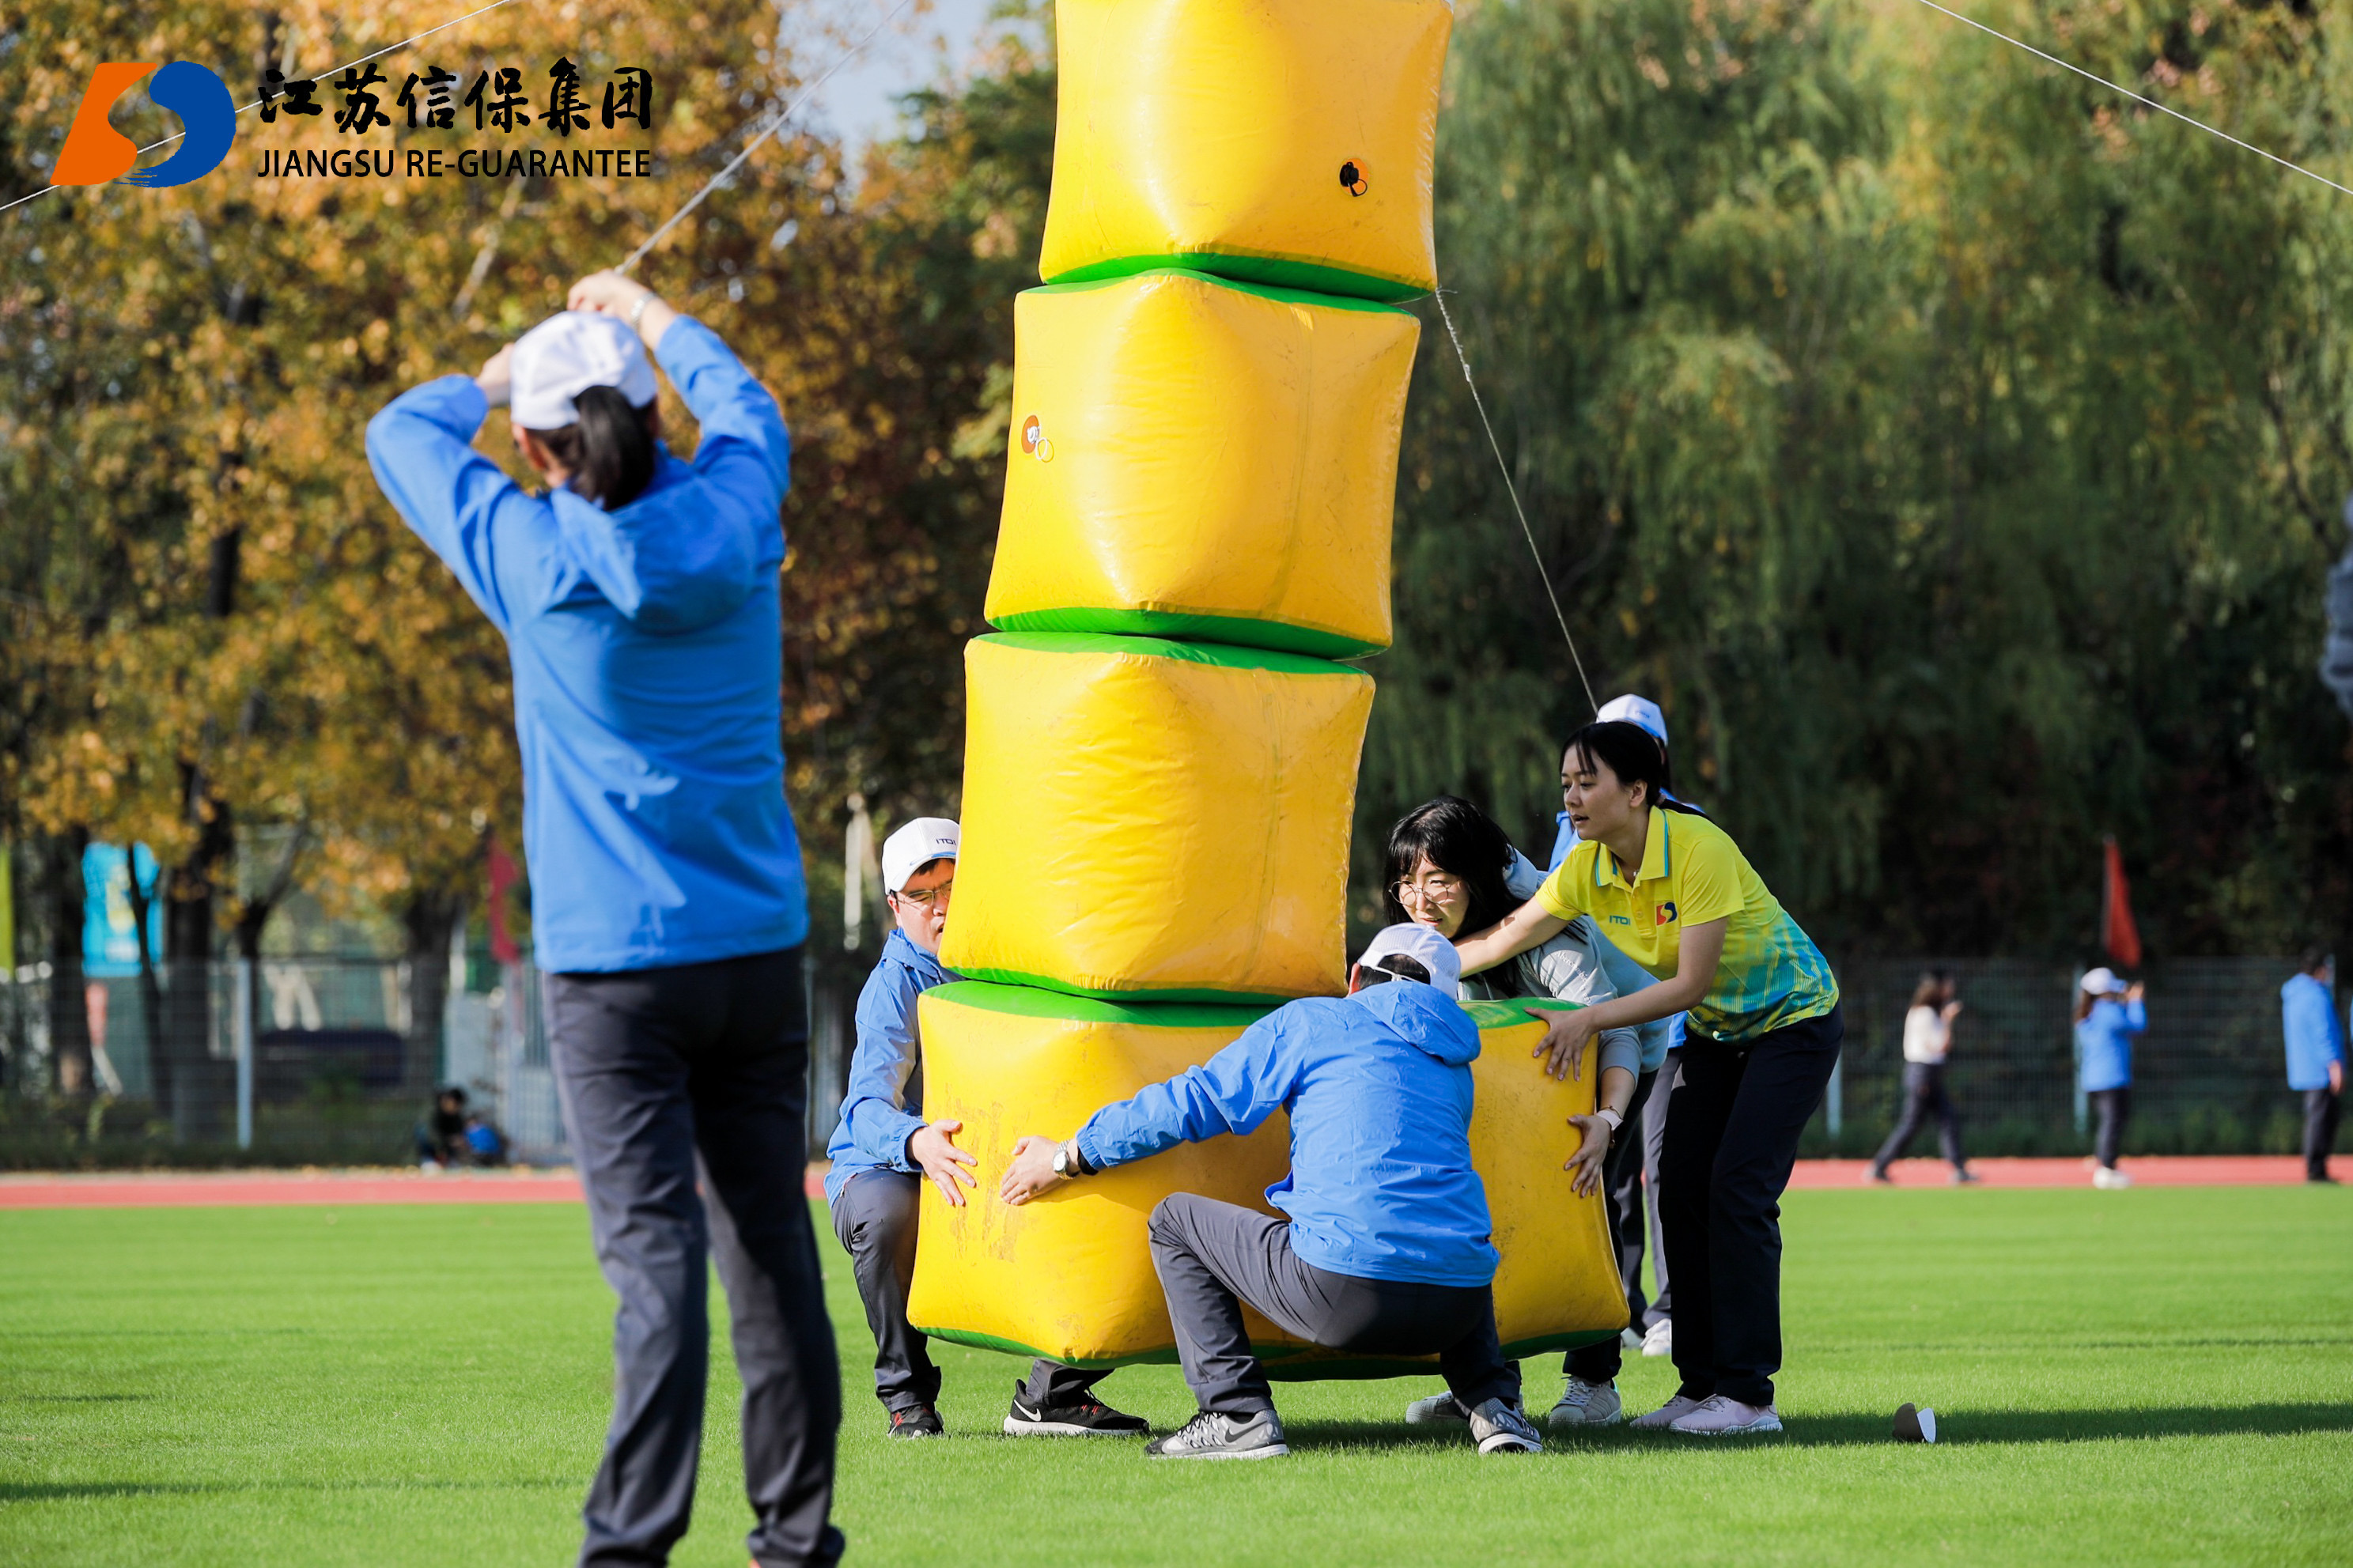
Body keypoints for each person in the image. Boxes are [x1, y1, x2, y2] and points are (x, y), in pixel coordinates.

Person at [367, 271, 840, 1568]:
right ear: (653, 413)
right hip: (755, 954)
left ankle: (629, 1548)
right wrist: (646, 312)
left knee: (655, 1264)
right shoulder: (741, 510)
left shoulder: (530, 549)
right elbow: (751, 407)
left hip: (615, 971)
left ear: (533, 442)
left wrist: (501, 366)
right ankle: (796, 1538)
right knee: (770, 1253)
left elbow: (399, 432)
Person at [998, 924, 1546, 1461]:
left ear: (1355, 976)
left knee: (1174, 1220)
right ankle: (1495, 1406)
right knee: (1442, 1219)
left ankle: (1236, 1413)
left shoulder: (1316, 1019)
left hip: (1343, 1299)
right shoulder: (1456, 1065)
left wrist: (1069, 1155)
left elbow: (1199, 1099)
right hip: (1458, 1308)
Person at [1455, 720, 1843, 1437]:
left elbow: (1689, 983)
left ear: (1636, 791)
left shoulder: (1700, 848)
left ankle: (1750, 1397)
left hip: (1792, 1022)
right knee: (1674, 1191)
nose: (1570, 797)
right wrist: (1409, 966)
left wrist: (1591, 1018)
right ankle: (1700, 1388)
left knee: (1736, 1190)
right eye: (1565, 782)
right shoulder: (1584, 866)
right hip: (1717, 1035)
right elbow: (1504, 939)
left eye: (1586, 781)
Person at [824, 817, 1148, 1439]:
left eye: (954, 887)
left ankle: (1053, 1394)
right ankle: (907, 1396)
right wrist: (916, 1141)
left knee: (1112, 1186)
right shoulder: (893, 986)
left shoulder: (1015, 964)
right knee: (887, 1210)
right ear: (895, 907)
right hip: (890, 1167)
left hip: (994, 1157)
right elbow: (864, 1108)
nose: (941, 908)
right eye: (922, 896)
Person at [1375, 796, 1649, 1430]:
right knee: (1482, 1205)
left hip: (1615, 1062)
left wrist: (1607, 1121)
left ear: (1475, 876)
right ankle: (1488, 1382)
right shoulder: (1419, 944)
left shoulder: (1551, 934)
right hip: (1511, 1077)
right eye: (1407, 883)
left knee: (1584, 1192)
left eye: (1439, 881)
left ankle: (1594, 1380)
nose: (1420, 898)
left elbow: (1617, 1033)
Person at [1548, 692, 1694, 1362]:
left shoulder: (1688, 830)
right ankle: (1618, 1309)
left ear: (1649, 766)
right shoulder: (1570, 829)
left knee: (1663, 1170)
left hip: (1674, 1036)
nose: (1580, 791)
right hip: (1600, 1029)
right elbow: (1550, 915)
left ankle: (1667, 1309)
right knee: (1601, 1174)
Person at [1867, 971, 1977, 1185]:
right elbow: (1941, 1046)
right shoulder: (1925, 1014)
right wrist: (1948, 1021)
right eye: (1948, 985)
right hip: (1923, 1074)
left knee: (1948, 1119)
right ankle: (1879, 1166)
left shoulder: (1928, 1012)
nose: (1951, 989)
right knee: (1912, 1124)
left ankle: (1959, 1168)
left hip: (1928, 1073)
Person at [2073, 967, 2145, 1190]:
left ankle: (2106, 1165)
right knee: (2113, 1123)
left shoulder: (2088, 1013)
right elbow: (2137, 1026)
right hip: (2112, 1077)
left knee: (2110, 1123)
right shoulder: (2108, 1011)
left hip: (2093, 1079)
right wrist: (2135, 1002)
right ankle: (2106, 1169)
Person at [2279, 950, 2344, 1185]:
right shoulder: (2316, 996)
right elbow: (2324, 1034)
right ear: (2319, 970)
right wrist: (2334, 1065)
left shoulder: (2293, 994)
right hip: (2319, 1069)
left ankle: (2316, 1167)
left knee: (2318, 1117)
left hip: (2303, 1066)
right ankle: (2316, 1170)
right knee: (2321, 1119)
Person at [415, 1086, 469, 1169]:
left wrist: (460, 1141)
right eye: (456, 1105)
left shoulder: (455, 1115)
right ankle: (428, 1160)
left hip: (446, 1151)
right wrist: (449, 1141)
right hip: (431, 1149)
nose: (457, 1109)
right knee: (422, 1131)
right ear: (450, 1101)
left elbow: (459, 1132)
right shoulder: (431, 1112)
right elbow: (430, 1135)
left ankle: (450, 1161)